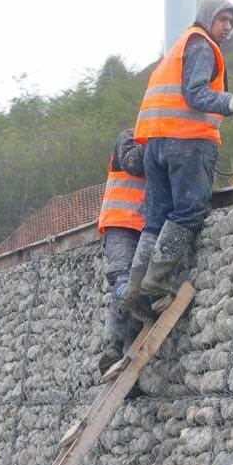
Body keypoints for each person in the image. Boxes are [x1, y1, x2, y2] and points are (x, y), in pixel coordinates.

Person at [121, 0, 233, 320]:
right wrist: (227, 101)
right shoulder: (202, 46)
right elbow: (194, 93)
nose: (227, 27)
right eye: (223, 20)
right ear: (208, 17)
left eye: (231, 23)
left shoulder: (179, 48)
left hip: (156, 146)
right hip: (187, 144)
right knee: (190, 209)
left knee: (156, 218)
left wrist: (226, 101)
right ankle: (156, 280)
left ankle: (134, 291)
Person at [96, 128, 146, 376]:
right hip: (120, 224)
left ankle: (125, 361)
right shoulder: (127, 138)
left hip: (145, 228)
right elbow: (134, 163)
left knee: (137, 293)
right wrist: (162, 147)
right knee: (123, 280)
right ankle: (112, 349)